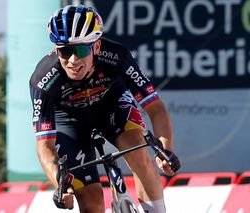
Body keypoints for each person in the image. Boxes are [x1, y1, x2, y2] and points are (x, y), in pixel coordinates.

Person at [29, 4, 181, 213]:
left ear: (97, 47)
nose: (73, 60)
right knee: (91, 203)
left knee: (138, 152)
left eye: (82, 49)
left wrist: (165, 149)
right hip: (69, 121)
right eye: (65, 51)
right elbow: (45, 146)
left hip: (111, 104)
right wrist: (60, 185)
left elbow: (155, 107)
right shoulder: (43, 79)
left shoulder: (117, 56)